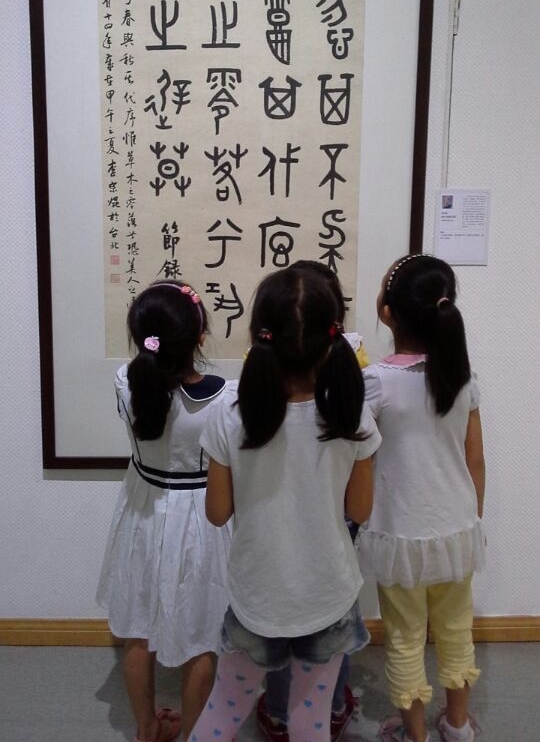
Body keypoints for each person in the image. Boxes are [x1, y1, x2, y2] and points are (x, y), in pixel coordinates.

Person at [186, 266, 381, 742]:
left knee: (223, 711)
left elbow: (217, 513)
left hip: (257, 596)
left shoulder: (229, 415)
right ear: (333, 339)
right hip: (328, 594)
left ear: (259, 335)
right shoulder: (351, 413)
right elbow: (360, 512)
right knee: (310, 721)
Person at [355, 255, 486, 742]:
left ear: (387, 313)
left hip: (399, 532)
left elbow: (358, 457)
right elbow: (476, 459)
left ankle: (415, 735)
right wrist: (472, 518)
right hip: (456, 529)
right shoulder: (462, 378)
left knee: (405, 636)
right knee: (456, 629)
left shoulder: (375, 382)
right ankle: (457, 726)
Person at [96, 281, 232, 742]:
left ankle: (147, 728)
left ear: (141, 337)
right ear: (200, 336)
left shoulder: (125, 381)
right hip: (202, 517)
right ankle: (194, 733)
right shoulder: (223, 397)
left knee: (138, 629)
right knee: (202, 634)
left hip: (142, 509)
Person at [256, 259, 369, 742]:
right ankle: (326, 706)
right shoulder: (353, 388)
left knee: (283, 621)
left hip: (275, 537)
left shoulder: (241, 403)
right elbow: (359, 509)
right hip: (332, 523)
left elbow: (219, 510)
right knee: (327, 621)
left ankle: (281, 711)